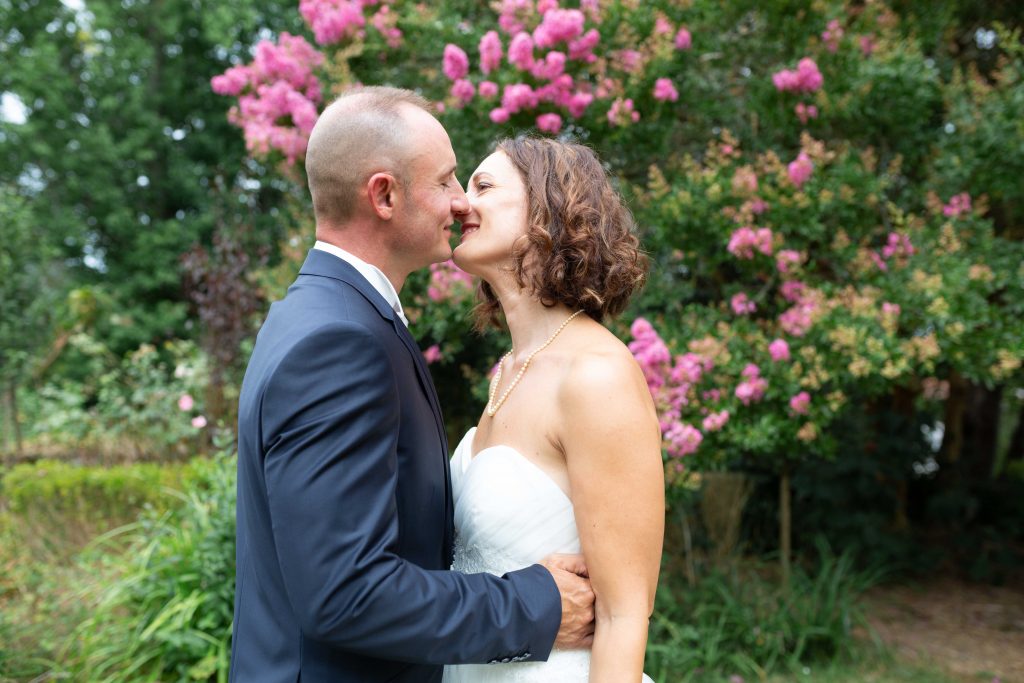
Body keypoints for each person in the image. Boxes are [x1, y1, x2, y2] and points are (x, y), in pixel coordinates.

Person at [230, 87, 596, 683]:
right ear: (384, 195)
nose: (460, 204)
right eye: (448, 181)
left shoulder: (324, 316)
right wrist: (538, 607)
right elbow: (347, 593)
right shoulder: (339, 342)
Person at [443, 137, 665, 682]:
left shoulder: (596, 374)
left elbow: (623, 613)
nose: (459, 204)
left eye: (483, 186)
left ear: (547, 208)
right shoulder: (508, 369)